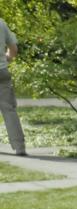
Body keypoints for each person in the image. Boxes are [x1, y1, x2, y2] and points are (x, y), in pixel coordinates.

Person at [0, 16, 27, 156]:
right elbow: (13, 49)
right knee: (9, 110)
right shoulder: (1, 23)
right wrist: (7, 59)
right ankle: (19, 147)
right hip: (1, 71)